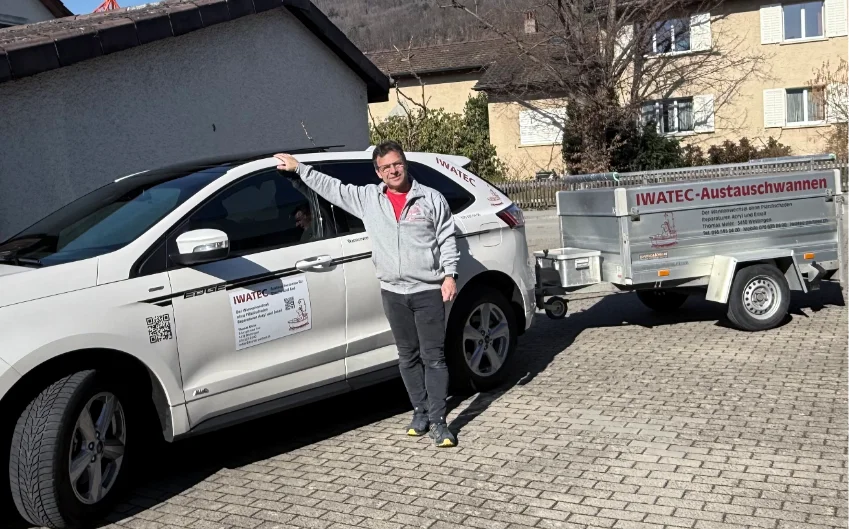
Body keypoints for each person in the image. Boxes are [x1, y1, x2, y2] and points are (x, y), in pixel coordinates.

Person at [274, 141, 459, 448]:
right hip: (393, 292)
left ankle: (439, 422)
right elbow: (332, 188)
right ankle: (420, 412)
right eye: (386, 167)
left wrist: (450, 275)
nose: (393, 171)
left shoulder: (430, 198)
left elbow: (447, 238)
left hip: (428, 290)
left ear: (405, 163)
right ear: (378, 172)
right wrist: (300, 169)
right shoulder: (368, 198)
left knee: (434, 357)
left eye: (397, 164)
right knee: (407, 356)